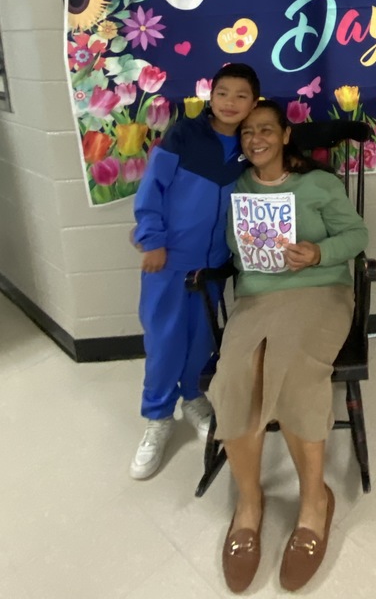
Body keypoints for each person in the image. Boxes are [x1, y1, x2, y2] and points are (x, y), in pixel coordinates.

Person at [209, 100, 368, 593]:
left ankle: (314, 502)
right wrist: (252, 246)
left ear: (283, 135)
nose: (255, 138)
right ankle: (249, 503)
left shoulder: (319, 185)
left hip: (321, 291)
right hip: (260, 296)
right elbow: (238, 254)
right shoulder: (238, 190)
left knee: (298, 370)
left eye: (265, 130)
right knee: (236, 374)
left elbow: (357, 234)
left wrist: (319, 251)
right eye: (247, 132)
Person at [129, 62, 261, 480]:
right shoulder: (184, 134)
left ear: (253, 103)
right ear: (211, 96)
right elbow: (153, 188)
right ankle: (157, 419)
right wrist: (152, 239)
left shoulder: (248, 145)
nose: (230, 103)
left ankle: (193, 399)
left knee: (202, 337)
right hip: (168, 259)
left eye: (242, 96)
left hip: (215, 265)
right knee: (165, 338)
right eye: (223, 93)